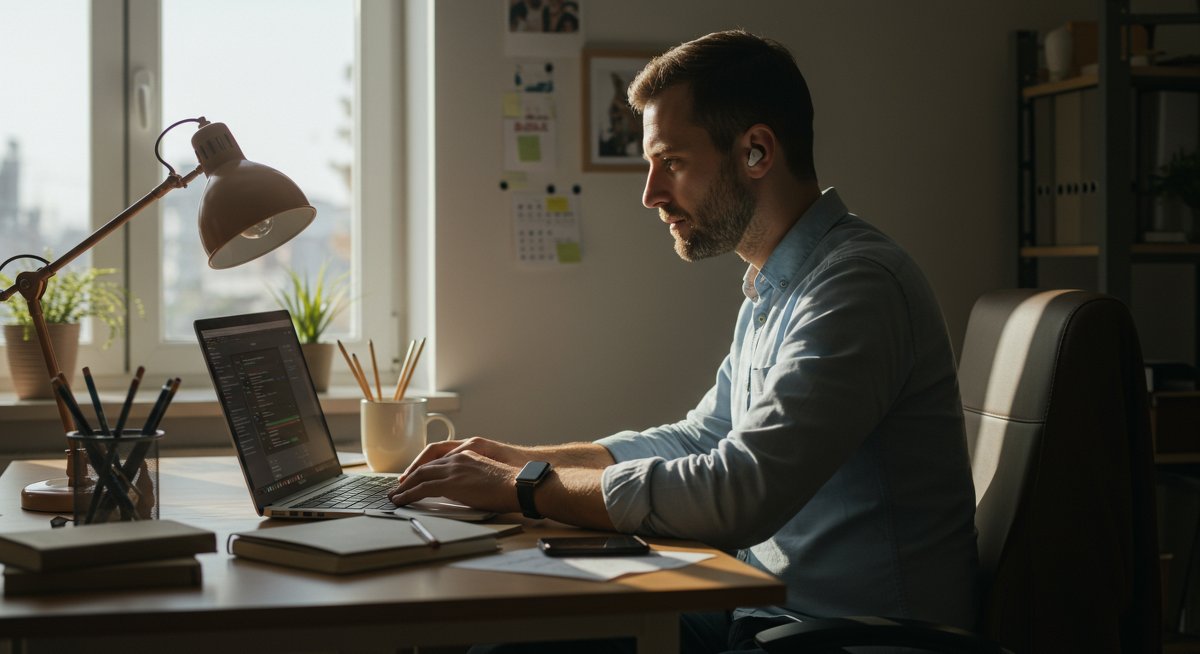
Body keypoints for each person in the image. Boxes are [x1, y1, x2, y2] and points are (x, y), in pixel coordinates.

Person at [389, 29, 979, 654]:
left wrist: (525, 488)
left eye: (669, 161)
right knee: (498, 638)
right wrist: (512, 459)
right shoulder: (779, 284)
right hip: (762, 615)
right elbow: (703, 436)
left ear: (755, 151)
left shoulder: (857, 288)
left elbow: (737, 490)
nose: (651, 194)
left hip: (855, 636)